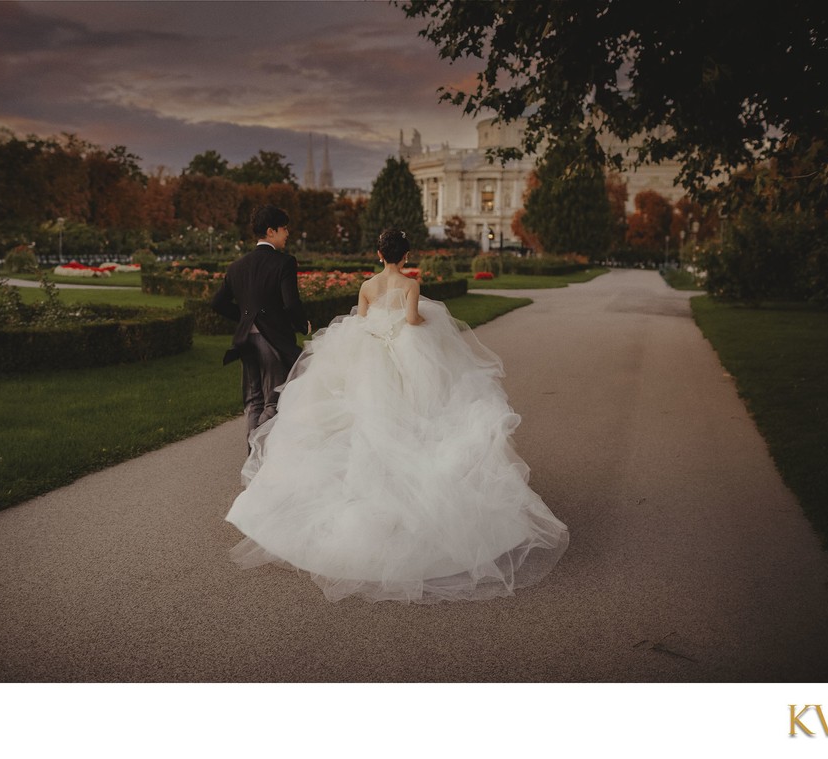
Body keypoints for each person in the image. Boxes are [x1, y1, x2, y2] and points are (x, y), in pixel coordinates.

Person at [224, 228, 569, 604]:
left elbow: (362, 320)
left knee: (357, 419)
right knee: (417, 416)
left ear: (378, 254)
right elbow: (412, 320)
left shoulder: (368, 286)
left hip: (370, 356)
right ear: (406, 256)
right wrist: (425, 323)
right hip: (404, 355)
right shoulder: (409, 284)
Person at [211, 205, 311, 443]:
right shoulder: (285, 262)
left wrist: (248, 318)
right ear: (271, 231)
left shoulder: (237, 266)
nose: (288, 234)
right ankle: (260, 456)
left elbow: (218, 303)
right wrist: (302, 324)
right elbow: (291, 304)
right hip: (272, 340)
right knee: (273, 402)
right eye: (284, 229)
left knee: (254, 401)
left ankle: (251, 458)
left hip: (246, 341)